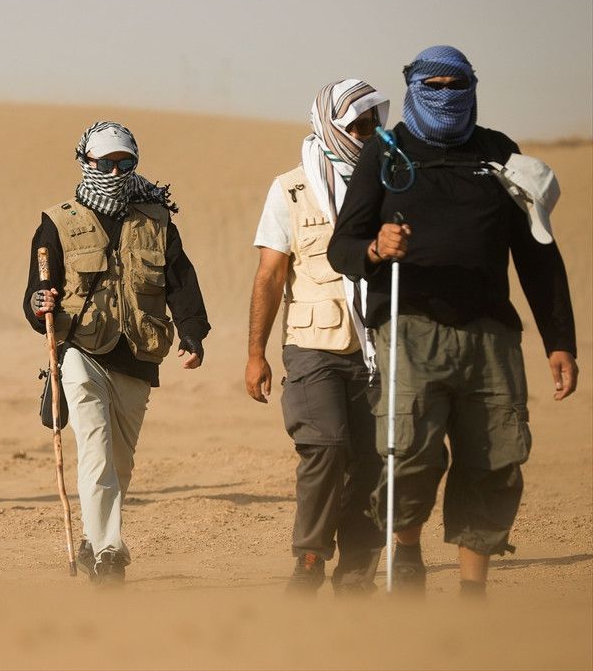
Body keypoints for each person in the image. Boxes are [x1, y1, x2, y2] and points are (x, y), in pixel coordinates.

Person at [327, 45, 579, 597]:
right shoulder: (385, 152)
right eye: (432, 86)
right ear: (412, 88)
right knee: (410, 454)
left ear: (473, 87)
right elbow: (341, 246)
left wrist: (559, 340)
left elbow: (537, 253)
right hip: (409, 327)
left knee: (494, 458)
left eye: (456, 85)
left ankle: (472, 595)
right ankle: (408, 553)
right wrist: (375, 248)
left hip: (491, 335)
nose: (445, 96)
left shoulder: (498, 153)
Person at [24, 121, 210, 584]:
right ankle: (109, 553)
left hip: (138, 355)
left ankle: (93, 537)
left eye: (125, 163)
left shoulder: (157, 221)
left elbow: (180, 283)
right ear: (85, 162)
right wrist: (38, 303)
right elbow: (36, 292)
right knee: (95, 453)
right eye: (105, 163)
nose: (115, 172)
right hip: (79, 349)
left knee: (120, 462)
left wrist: (192, 334)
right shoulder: (57, 222)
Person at [246, 80, 389, 594]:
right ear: (329, 125)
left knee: (373, 460)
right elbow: (270, 276)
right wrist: (256, 354)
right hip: (312, 343)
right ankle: (309, 555)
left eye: (372, 125)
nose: (366, 135)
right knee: (324, 446)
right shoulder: (290, 188)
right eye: (355, 125)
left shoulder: (393, 183)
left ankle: (357, 572)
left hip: (379, 344)